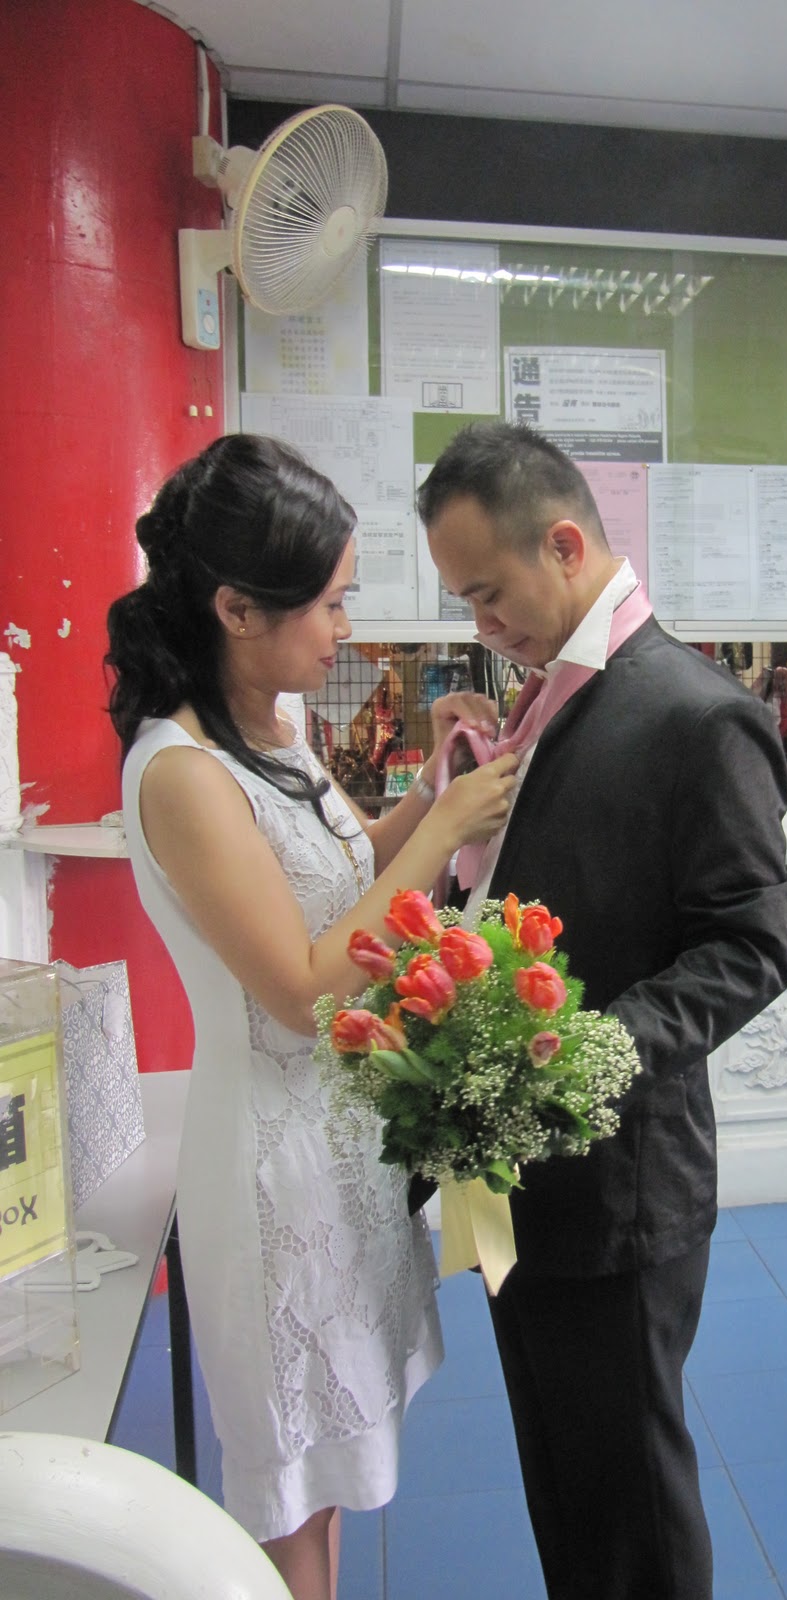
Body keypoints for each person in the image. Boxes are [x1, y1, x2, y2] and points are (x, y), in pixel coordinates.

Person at [104, 433, 517, 1600]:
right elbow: (298, 986)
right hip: (271, 1171)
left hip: (338, 1144)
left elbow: (350, 877)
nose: (344, 628)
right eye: (328, 604)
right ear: (237, 608)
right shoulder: (181, 772)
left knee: (330, 1467)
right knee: (290, 1478)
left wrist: (428, 792)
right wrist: (444, 835)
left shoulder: (274, 728)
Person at [418, 420, 787, 1600]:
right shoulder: (546, 701)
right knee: (565, 1478)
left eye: (489, 593)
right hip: (515, 1167)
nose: (483, 624)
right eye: (465, 602)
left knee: (631, 1498)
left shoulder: (694, 714)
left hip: (617, 1175)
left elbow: (749, 947)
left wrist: (581, 1053)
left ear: (566, 545)